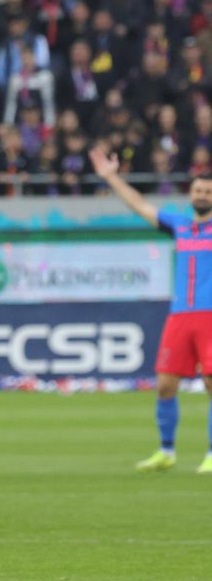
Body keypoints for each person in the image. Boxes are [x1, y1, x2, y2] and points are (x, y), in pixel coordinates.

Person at [90, 148, 212, 475]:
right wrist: (111, 177)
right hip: (180, 316)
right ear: (191, 194)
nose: (202, 195)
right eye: (198, 190)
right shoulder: (181, 226)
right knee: (164, 385)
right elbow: (140, 205)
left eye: (208, 192)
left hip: (210, 317)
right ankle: (166, 451)